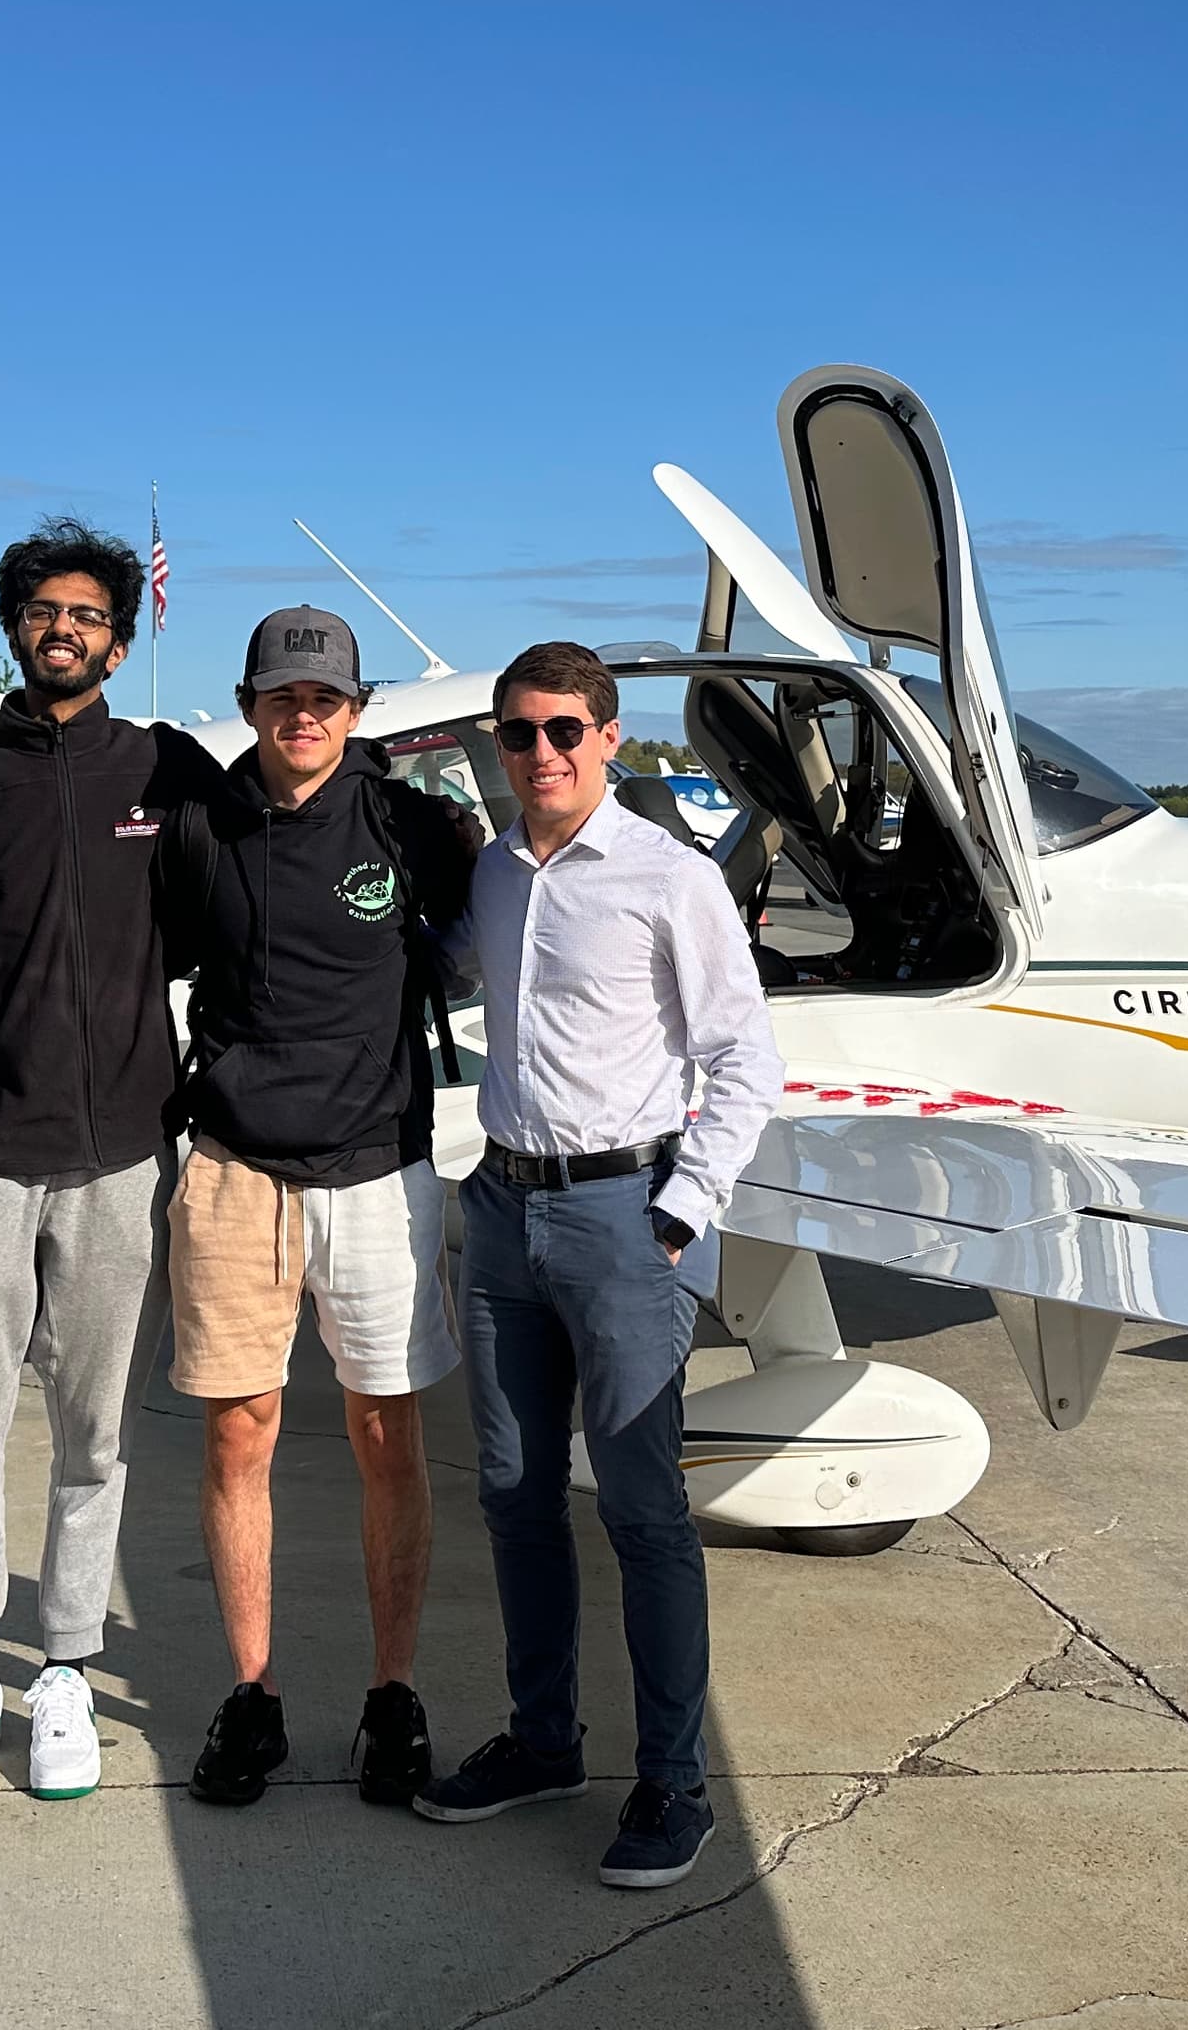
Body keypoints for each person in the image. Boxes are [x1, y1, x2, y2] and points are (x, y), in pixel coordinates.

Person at [415, 640, 781, 1889]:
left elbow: (744, 1060)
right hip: (506, 1211)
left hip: (624, 1213)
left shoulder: (669, 878)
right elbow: (448, 965)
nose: (542, 754)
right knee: (514, 1495)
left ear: (611, 739)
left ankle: (676, 1783)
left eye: (564, 730)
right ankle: (544, 1741)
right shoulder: (499, 874)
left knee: (640, 1509)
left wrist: (680, 1211)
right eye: (518, 734)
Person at [0, 517, 212, 1805]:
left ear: (120, 637)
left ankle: (62, 1664)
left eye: (87, 614)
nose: (63, 629)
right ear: (17, 625)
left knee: (96, 1434)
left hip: (119, 1153)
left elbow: (244, 903)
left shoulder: (164, 772)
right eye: (43, 610)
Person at [158, 607, 479, 1813]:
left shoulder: (411, 823)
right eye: (283, 697)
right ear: (248, 704)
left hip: (376, 1165)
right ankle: (255, 1694)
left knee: (386, 1434)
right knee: (238, 1431)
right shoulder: (200, 822)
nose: (306, 716)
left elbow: (490, 936)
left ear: (356, 708)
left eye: (327, 698)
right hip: (237, 1162)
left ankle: (393, 1692)